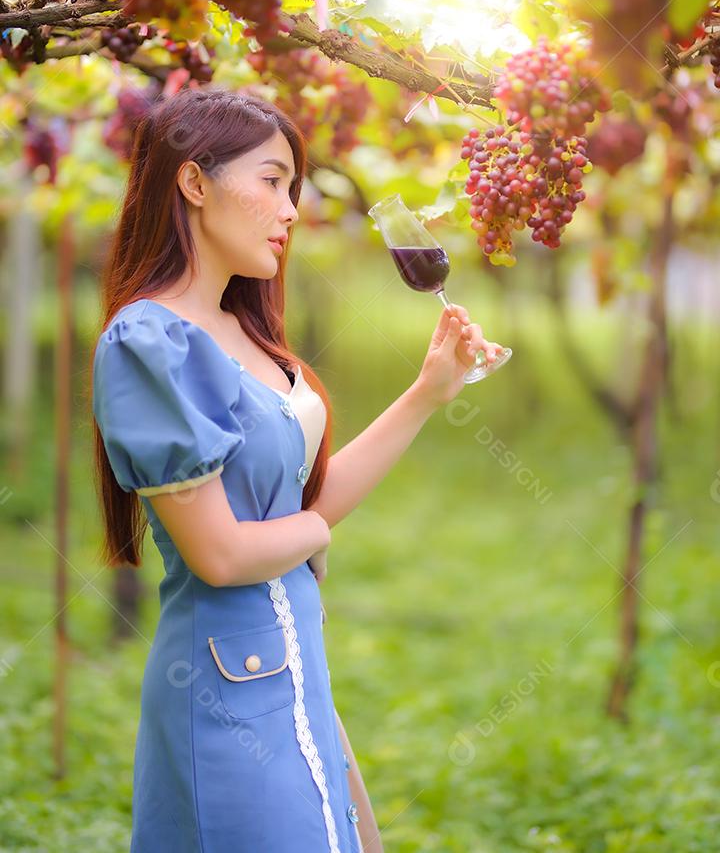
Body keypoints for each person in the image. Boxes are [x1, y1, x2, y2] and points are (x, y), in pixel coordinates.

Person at [91, 88, 502, 853]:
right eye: (272, 181)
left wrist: (425, 394)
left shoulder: (243, 328)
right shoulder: (149, 342)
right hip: (225, 689)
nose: (290, 210)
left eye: (293, 188)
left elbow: (303, 501)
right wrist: (317, 536)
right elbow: (220, 555)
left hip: (296, 671)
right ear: (194, 182)